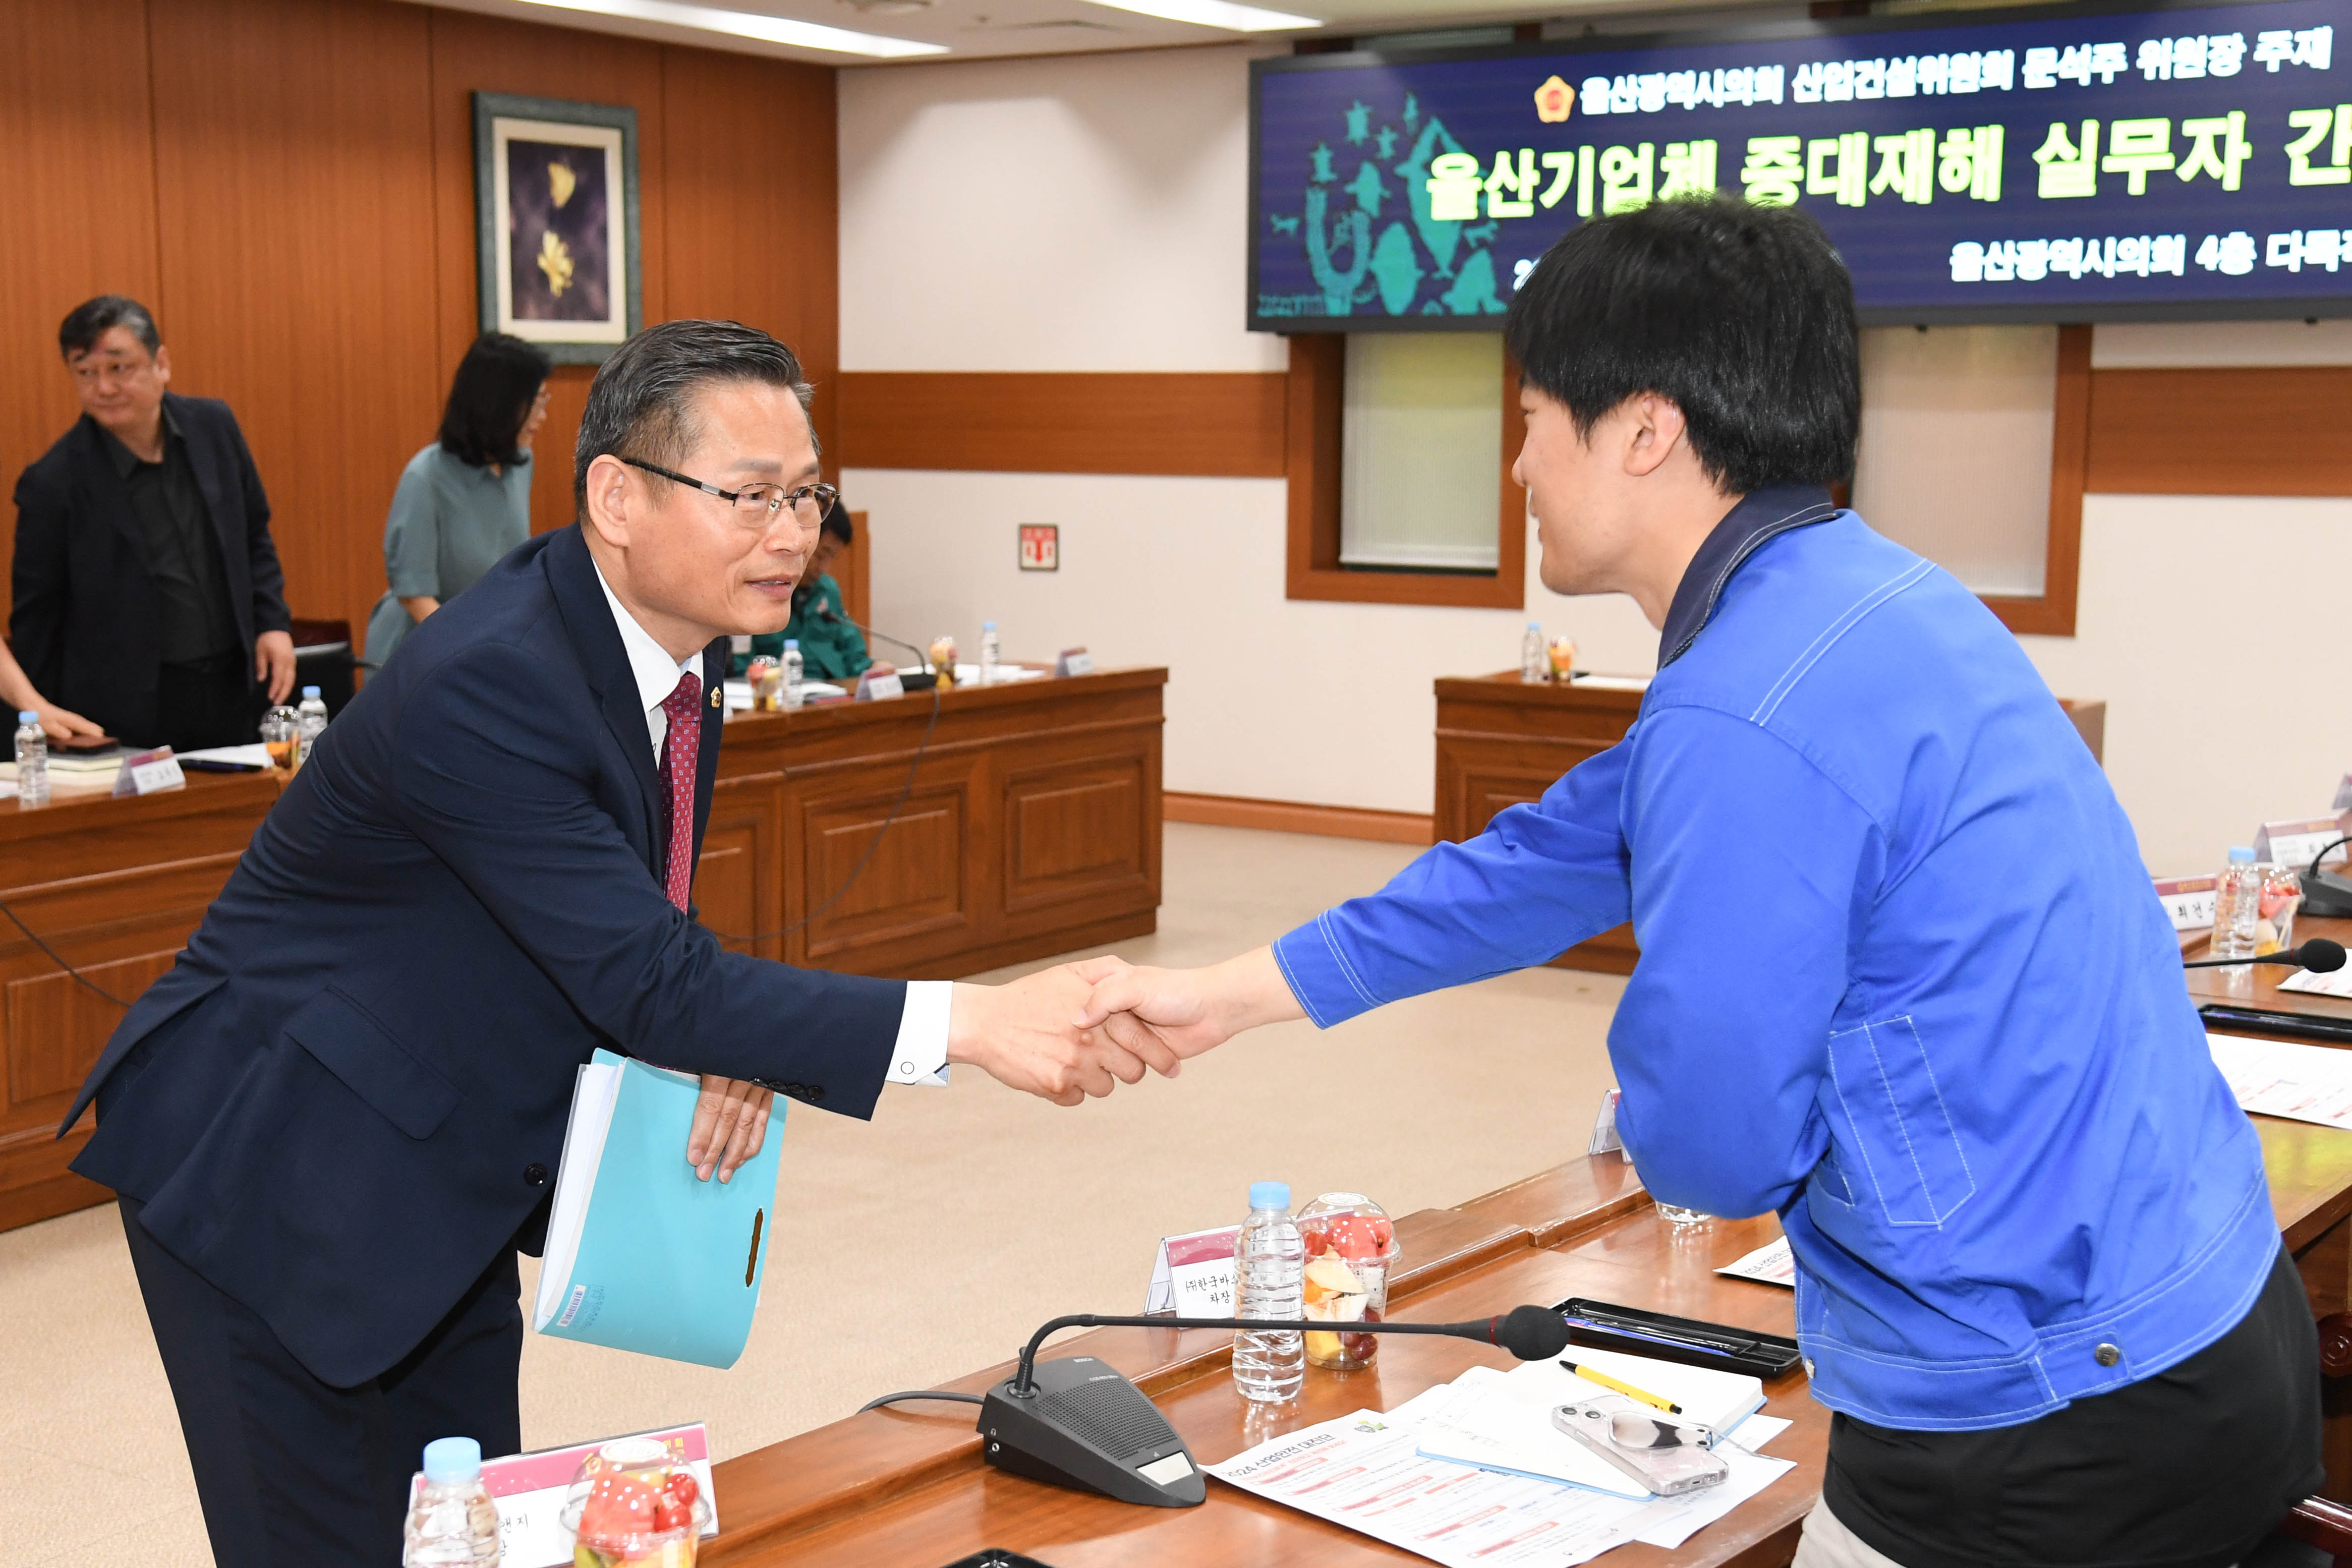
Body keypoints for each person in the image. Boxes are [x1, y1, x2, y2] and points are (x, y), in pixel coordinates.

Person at [1080, 199, 2320, 1568]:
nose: (1513, 463)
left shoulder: (1742, 702)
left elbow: (1714, 1143)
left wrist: (1665, 1077)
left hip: (2041, 1407)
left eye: (1534, 413)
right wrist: (1228, 994)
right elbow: (1550, 853)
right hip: (2202, 1311)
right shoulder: (1859, 595)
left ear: (1641, 429)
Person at [58, 319, 1154, 1567]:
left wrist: (716, 1029)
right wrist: (972, 1022)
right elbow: (646, 974)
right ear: (617, 497)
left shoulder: (672, 660)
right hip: (276, 1170)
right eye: (749, 495)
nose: (792, 532)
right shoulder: (494, 675)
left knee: (471, 1537)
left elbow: (621, 916)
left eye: (806, 494)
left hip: (440, 1174)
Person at [12, 296, 295, 750]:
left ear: (161, 364)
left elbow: (253, 534)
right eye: (85, 373)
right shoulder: (53, 483)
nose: (102, 388)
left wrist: (273, 624)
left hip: (231, 687)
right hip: (126, 711)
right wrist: (40, 726)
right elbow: (37, 619)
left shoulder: (214, 427)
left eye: (118, 368)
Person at [364, 333, 553, 670]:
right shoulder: (426, 476)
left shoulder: (520, 465)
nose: (543, 415)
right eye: (536, 402)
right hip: (420, 650)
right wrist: (469, 649)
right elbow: (414, 594)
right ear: (500, 403)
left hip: (483, 645)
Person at [732, 499, 871, 681]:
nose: (825, 567)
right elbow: (742, 667)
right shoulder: (758, 589)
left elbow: (856, 655)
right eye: (822, 555)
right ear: (802, 539)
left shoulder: (827, 589)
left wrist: (875, 670)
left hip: (835, 694)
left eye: (832, 558)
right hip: (781, 696)